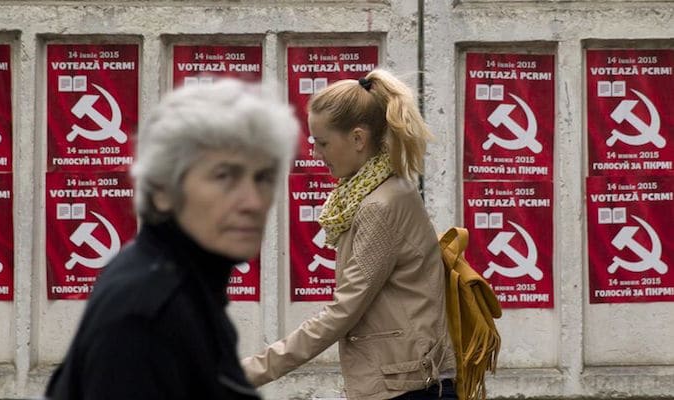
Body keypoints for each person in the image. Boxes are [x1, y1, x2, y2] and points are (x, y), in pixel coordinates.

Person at [45, 79, 298, 400]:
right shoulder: (148, 316)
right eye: (224, 176)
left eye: (263, 178)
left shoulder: (182, 283)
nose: (253, 202)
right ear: (163, 190)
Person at [242, 69, 457, 400]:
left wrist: (248, 372)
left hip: (405, 386)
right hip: (407, 378)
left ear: (358, 139)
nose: (315, 154)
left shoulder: (379, 206)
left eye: (322, 143)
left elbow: (344, 311)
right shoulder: (380, 190)